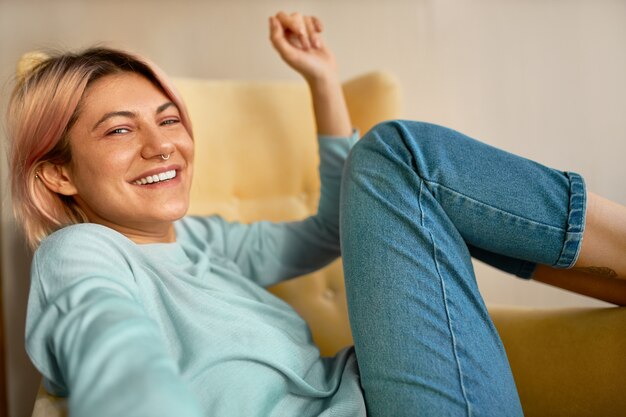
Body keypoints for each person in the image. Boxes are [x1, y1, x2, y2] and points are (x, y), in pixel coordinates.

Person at [7, 11, 626, 417]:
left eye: (169, 119)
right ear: (58, 173)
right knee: (396, 155)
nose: (161, 144)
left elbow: (338, 227)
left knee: (396, 163)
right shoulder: (83, 252)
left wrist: (322, 84)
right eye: (120, 130)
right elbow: (115, 355)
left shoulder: (202, 242)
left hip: (371, 391)